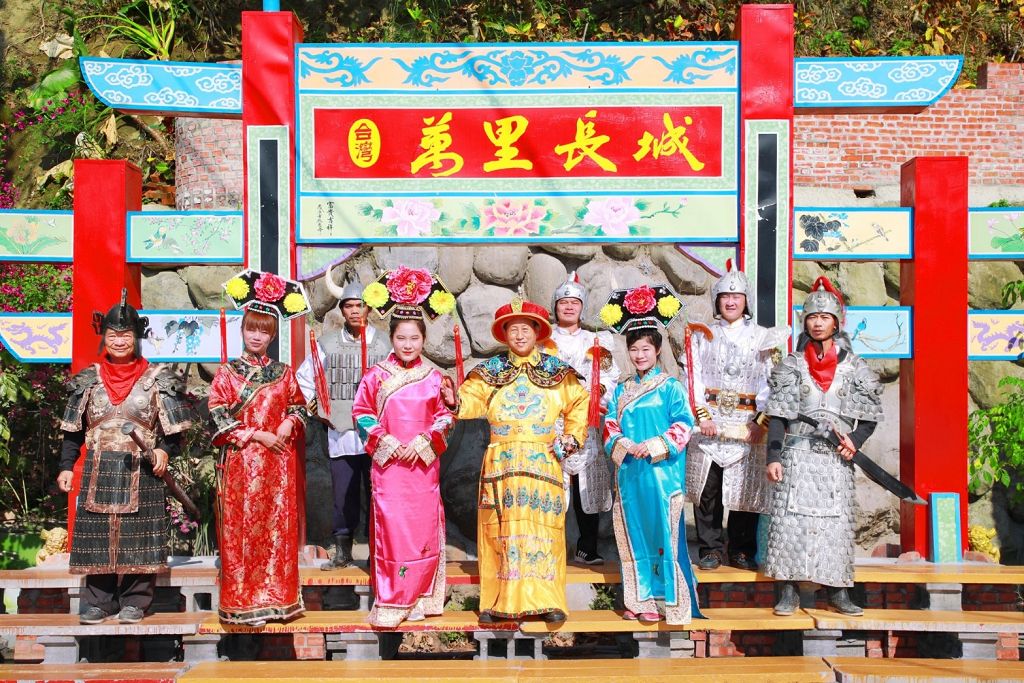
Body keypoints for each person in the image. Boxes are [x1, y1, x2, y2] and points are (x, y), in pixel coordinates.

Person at [442, 295, 589, 623]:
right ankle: (499, 602)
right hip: (502, 463)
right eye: (513, 329)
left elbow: (580, 402)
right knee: (500, 531)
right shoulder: (489, 372)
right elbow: (469, 401)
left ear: (537, 332)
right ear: (504, 334)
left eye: (526, 329)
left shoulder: (557, 372)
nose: (520, 335)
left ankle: (549, 601)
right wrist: (454, 401)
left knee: (543, 530)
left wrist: (567, 441)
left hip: (541, 460)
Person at [57, 292, 192, 625]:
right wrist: (66, 467)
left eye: (126, 335)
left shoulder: (159, 379)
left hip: (141, 469)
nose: (119, 341)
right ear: (104, 337)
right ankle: (98, 601)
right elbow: (73, 431)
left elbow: (176, 434)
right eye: (113, 335)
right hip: (98, 468)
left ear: (137, 337)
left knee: (139, 536)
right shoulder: (88, 380)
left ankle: (135, 601)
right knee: (97, 535)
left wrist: (163, 451)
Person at [763, 276, 883, 617]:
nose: (817, 323)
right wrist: (774, 456)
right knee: (789, 525)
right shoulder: (791, 365)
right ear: (805, 322)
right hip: (797, 455)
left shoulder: (854, 367)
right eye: (812, 317)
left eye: (824, 317)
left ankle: (838, 591)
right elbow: (778, 417)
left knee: (837, 527)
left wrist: (853, 441)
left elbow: (870, 417)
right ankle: (788, 591)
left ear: (836, 322)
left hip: (834, 460)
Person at [351, 267, 455, 627]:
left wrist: (425, 441)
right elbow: (361, 413)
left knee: (422, 530)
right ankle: (394, 598)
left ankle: (422, 596)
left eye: (414, 338)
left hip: (422, 468)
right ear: (391, 338)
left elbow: (445, 417)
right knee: (392, 531)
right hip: (390, 468)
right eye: (401, 338)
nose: (407, 344)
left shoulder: (435, 378)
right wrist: (390, 442)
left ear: (423, 339)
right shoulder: (375, 376)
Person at [210, 270, 311, 626]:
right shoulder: (227, 373)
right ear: (242, 330)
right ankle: (244, 602)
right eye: (252, 329)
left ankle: (278, 599)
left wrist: (289, 422)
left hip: (278, 465)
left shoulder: (284, 372)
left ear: (273, 335)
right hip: (242, 463)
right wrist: (257, 434)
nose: (257, 336)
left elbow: (299, 406)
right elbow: (218, 415)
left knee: (275, 530)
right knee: (243, 532)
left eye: (264, 331)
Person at [600, 284, 703, 624]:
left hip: (662, 476)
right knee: (636, 538)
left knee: (664, 538)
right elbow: (609, 424)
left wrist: (655, 444)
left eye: (645, 348)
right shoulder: (622, 388)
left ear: (657, 350)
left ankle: (669, 604)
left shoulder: (670, 386)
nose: (640, 355)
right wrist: (624, 444)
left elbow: (684, 424)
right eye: (634, 349)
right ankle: (640, 600)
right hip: (631, 474)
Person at [684, 263, 788, 571]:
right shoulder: (701, 335)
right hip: (709, 422)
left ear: (746, 301)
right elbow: (692, 377)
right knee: (708, 489)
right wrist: (702, 415)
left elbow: (773, 382)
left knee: (746, 486)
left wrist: (760, 422)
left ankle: (742, 550)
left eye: (736, 296)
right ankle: (711, 549)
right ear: (717, 300)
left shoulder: (763, 337)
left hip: (747, 423)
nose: (730, 302)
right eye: (725, 296)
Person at [296, 265, 390, 570]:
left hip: (378, 431)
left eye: (360, 305)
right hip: (341, 429)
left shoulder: (385, 344)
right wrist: (316, 408)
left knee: (379, 492)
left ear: (369, 308)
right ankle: (342, 549)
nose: (355, 311)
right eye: (349, 306)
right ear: (342, 309)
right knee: (343, 493)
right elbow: (305, 378)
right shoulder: (328, 343)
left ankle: (379, 550)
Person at [547, 272, 619, 566]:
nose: (569, 306)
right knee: (551, 481)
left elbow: (610, 376)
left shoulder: (597, 340)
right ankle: (549, 548)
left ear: (582, 307)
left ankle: (587, 546)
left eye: (574, 302)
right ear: (555, 306)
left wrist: (595, 394)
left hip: (585, 420)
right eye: (563, 302)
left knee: (585, 482)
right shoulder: (543, 340)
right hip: (551, 420)